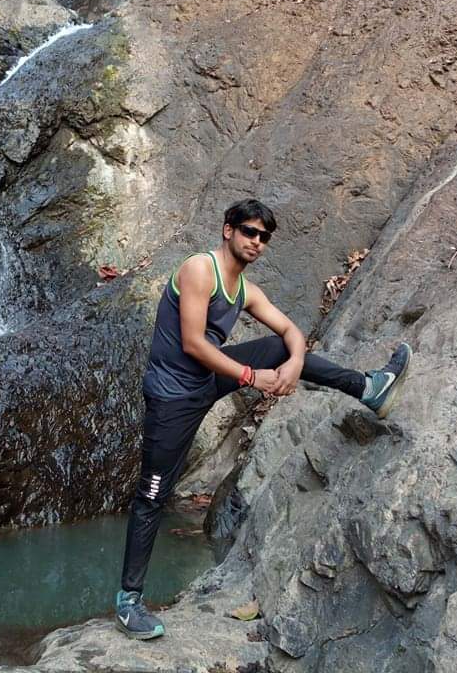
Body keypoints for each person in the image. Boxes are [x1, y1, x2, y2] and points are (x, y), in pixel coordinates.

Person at [114, 198, 411, 640]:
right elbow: (194, 343)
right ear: (228, 230)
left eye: (264, 237)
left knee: (279, 348)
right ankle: (128, 602)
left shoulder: (246, 290)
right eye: (249, 231)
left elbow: (290, 332)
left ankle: (369, 389)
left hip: (207, 380)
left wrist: (293, 365)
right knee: (153, 494)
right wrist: (253, 377)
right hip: (172, 397)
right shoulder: (200, 270)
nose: (256, 241)